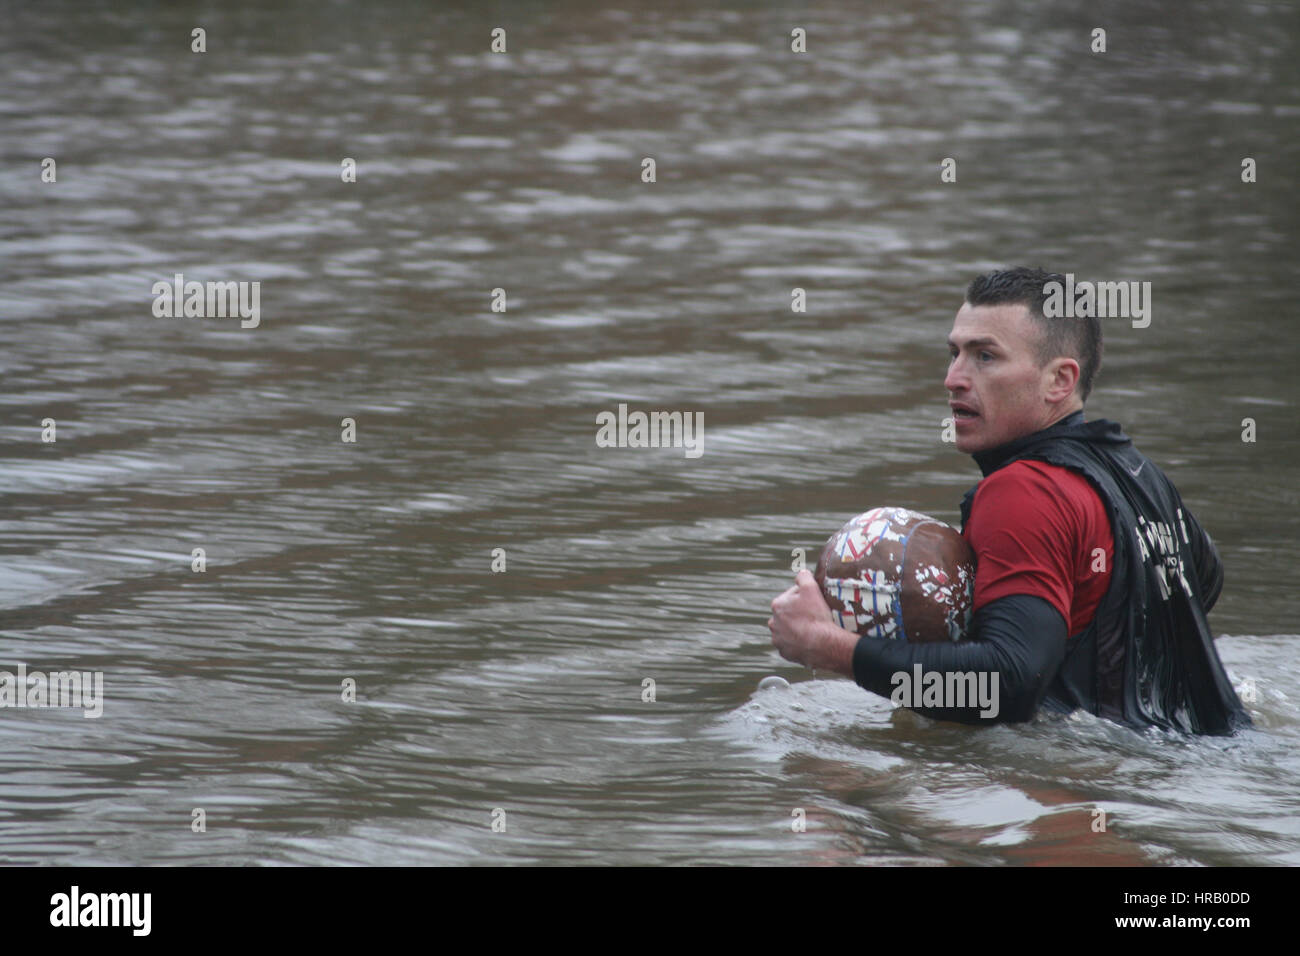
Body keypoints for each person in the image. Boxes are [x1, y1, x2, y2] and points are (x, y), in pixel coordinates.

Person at [768, 267, 1251, 735]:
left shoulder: (1024, 491)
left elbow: (1005, 685)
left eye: (984, 357)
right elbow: (1204, 580)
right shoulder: (1141, 474)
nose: (953, 378)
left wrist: (829, 646)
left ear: (1059, 380)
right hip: (1197, 754)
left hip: (1096, 778)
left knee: (837, 792)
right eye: (954, 353)